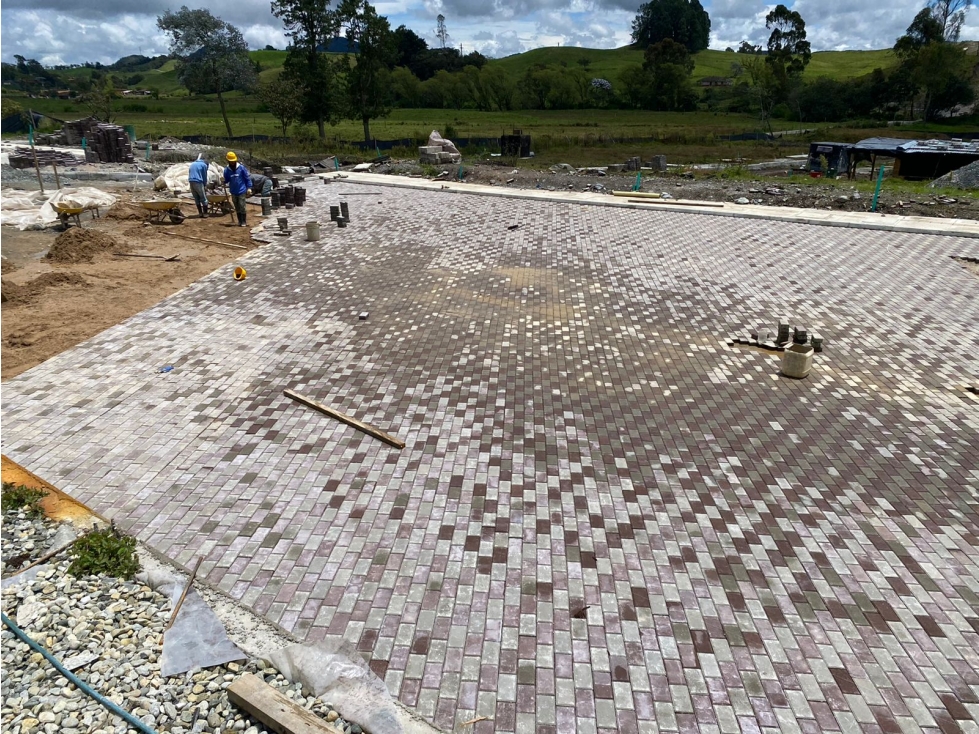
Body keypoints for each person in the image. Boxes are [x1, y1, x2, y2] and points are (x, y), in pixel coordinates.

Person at [223, 151, 253, 227]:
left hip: (241, 190)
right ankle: (239, 221)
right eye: (231, 161)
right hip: (233, 191)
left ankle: (244, 221)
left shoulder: (241, 168)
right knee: (237, 207)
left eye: (233, 161)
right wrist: (223, 181)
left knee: (242, 206)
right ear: (228, 161)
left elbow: (247, 178)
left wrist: (249, 187)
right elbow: (226, 179)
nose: (232, 163)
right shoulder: (227, 170)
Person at [188, 154, 209, 218]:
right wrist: (205, 185)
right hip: (198, 182)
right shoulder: (204, 165)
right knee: (203, 198)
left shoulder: (193, 164)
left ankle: (200, 213)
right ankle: (205, 214)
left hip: (191, 181)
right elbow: (204, 176)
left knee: (196, 198)